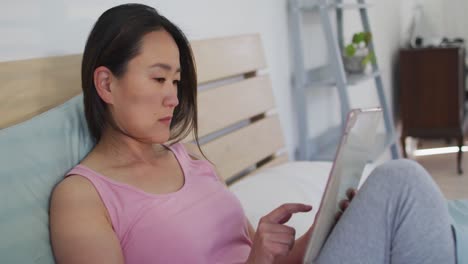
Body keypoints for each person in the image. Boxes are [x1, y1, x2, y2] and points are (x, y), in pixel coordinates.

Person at [49, 3, 456, 264]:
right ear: (105, 85)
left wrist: (321, 230)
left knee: (399, 188)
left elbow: (259, 256)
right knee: (402, 180)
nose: (173, 98)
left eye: (176, 82)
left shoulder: (186, 156)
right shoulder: (82, 198)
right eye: (158, 79)